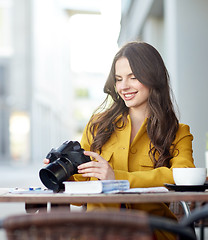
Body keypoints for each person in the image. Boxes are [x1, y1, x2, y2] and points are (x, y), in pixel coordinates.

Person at [44, 41, 195, 240]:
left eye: (133, 77)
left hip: (151, 232)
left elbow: (184, 175)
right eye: (119, 79)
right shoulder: (98, 125)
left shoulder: (177, 132)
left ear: (153, 78)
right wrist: (62, 173)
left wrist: (118, 179)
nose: (124, 86)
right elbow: (81, 193)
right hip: (98, 232)